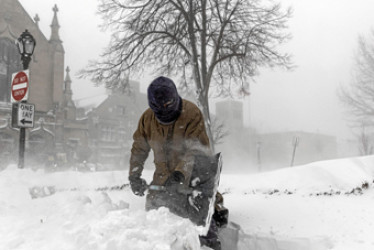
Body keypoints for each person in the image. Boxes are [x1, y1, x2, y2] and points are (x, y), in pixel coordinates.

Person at [128, 76, 223, 250]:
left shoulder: (191, 113)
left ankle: (209, 240)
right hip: (162, 179)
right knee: (156, 224)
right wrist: (134, 175)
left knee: (200, 222)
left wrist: (180, 174)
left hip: (192, 176)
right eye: (160, 109)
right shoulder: (147, 119)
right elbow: (139, 148)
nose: (165, 112)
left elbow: (197, 150)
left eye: (168, 107)